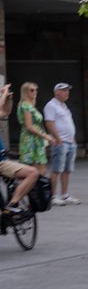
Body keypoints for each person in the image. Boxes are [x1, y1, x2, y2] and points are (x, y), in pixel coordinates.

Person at [0, 84, 39, 215]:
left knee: (33, 172)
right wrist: (3, 95)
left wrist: (8, 99)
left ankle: (11, 205)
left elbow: (5, 112)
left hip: (2, 161)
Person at [43, 82, 79, 206]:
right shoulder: (51, 105)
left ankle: (65, 195)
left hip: (69, 142)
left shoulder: (64, 106)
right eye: (64, 90)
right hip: (60, 142)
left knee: (67, 170)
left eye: (67, 90)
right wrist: (57, 138)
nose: (66, 93)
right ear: (57, 92)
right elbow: (49, 123)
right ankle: (53, 196)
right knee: (56, 169)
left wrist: (72, 138)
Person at [17, 81, 54, 178]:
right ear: (25, 92)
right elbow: (29, 126)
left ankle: (31, 190)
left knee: (36, 170)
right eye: (32, 90)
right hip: (31, 141)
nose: (35, 92)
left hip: (36, 139)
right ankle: (28, 190)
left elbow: (36, 125)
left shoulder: (30, 105)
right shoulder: (26, 106)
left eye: (36, 90)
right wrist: (45, 136)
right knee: (38, 171)